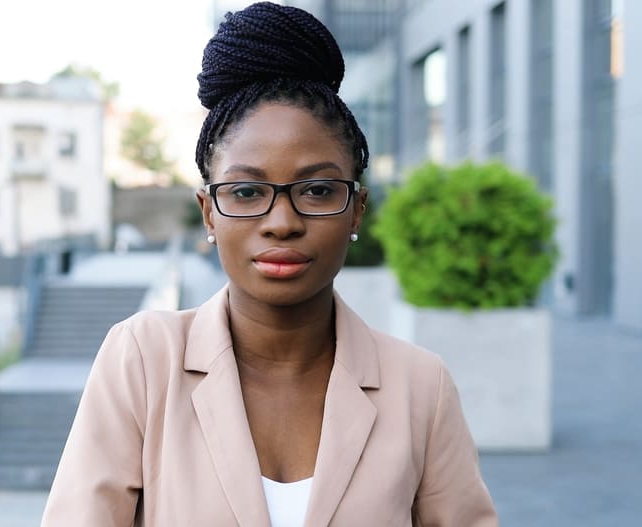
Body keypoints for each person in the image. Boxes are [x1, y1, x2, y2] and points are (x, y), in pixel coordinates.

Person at [41, 3, 498, 526]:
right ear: (209, 213)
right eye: (247, 190)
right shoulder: (144, 362)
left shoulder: (420, 387)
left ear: (358, 209)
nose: (282, 222)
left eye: (319, 189)